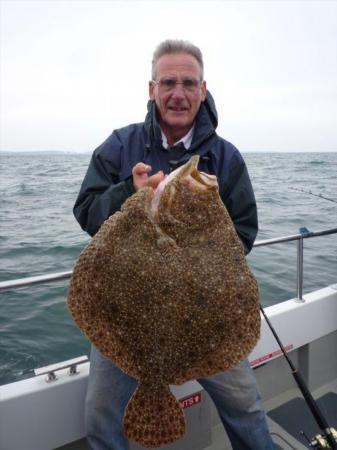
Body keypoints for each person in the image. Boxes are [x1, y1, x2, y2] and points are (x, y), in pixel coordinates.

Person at [73, 39, 275, 450]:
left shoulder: (226, 158)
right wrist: (130, 193)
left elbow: (245, 232)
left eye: (188, 83)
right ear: (152, 89)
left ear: (203, 89)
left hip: (206, 316)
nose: (178, 94)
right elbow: (87, 212)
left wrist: (204, 242)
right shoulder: (119, 145)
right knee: (100, 415)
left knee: (247, 407)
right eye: (168, 82)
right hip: (126, 312)